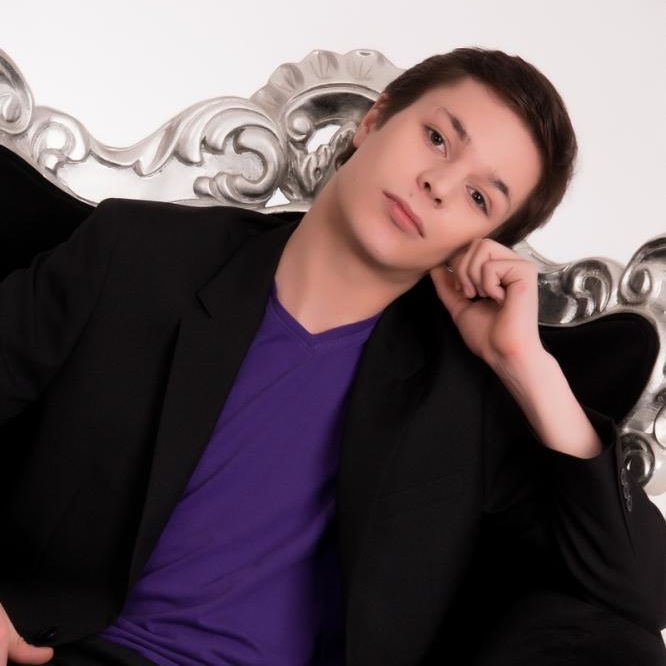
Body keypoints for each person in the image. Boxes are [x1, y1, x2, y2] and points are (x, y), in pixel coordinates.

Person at [0, 47, 665, 666]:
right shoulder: (140, 257)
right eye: (437, 138)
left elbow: (641, 595)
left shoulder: (468, 399)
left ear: (481, 245)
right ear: (372, 123)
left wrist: (529, 367)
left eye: (478, 197)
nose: (438, 184)